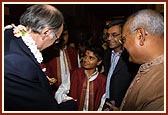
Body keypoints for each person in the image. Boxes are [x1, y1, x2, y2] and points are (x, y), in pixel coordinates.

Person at [4, 4, 77, 111]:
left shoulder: (10, 35)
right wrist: (71, 105)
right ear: (45, 33)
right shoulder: (17, 63)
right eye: (56, 39)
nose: (54, 44)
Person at [107, 9, 164, 111]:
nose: (123, 46)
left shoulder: (162, 84)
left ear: (140, 35)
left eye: (123, 40)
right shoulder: (149, 67)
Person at [102, 19, 139, 110]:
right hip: (106, 103)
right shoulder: (106, 54)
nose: (109, 38)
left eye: (114, 35)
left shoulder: (132, 57)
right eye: (108, 35)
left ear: (123, 36)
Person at [43, 23, 79, 103]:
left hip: (70, 94)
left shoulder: (73, 52)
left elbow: (78, 73)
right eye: (60, 35)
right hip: (51, 94)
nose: (63, 38)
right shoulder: (48, 52)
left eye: (65, 35)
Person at [69, 45, 106, 111]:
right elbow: (60, 92)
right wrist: (69, 101)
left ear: (99, 62)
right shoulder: (75, 74)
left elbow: (102, 104)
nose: (86, 60)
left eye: (91, 58)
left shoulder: (102, 81)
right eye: (85, 56)